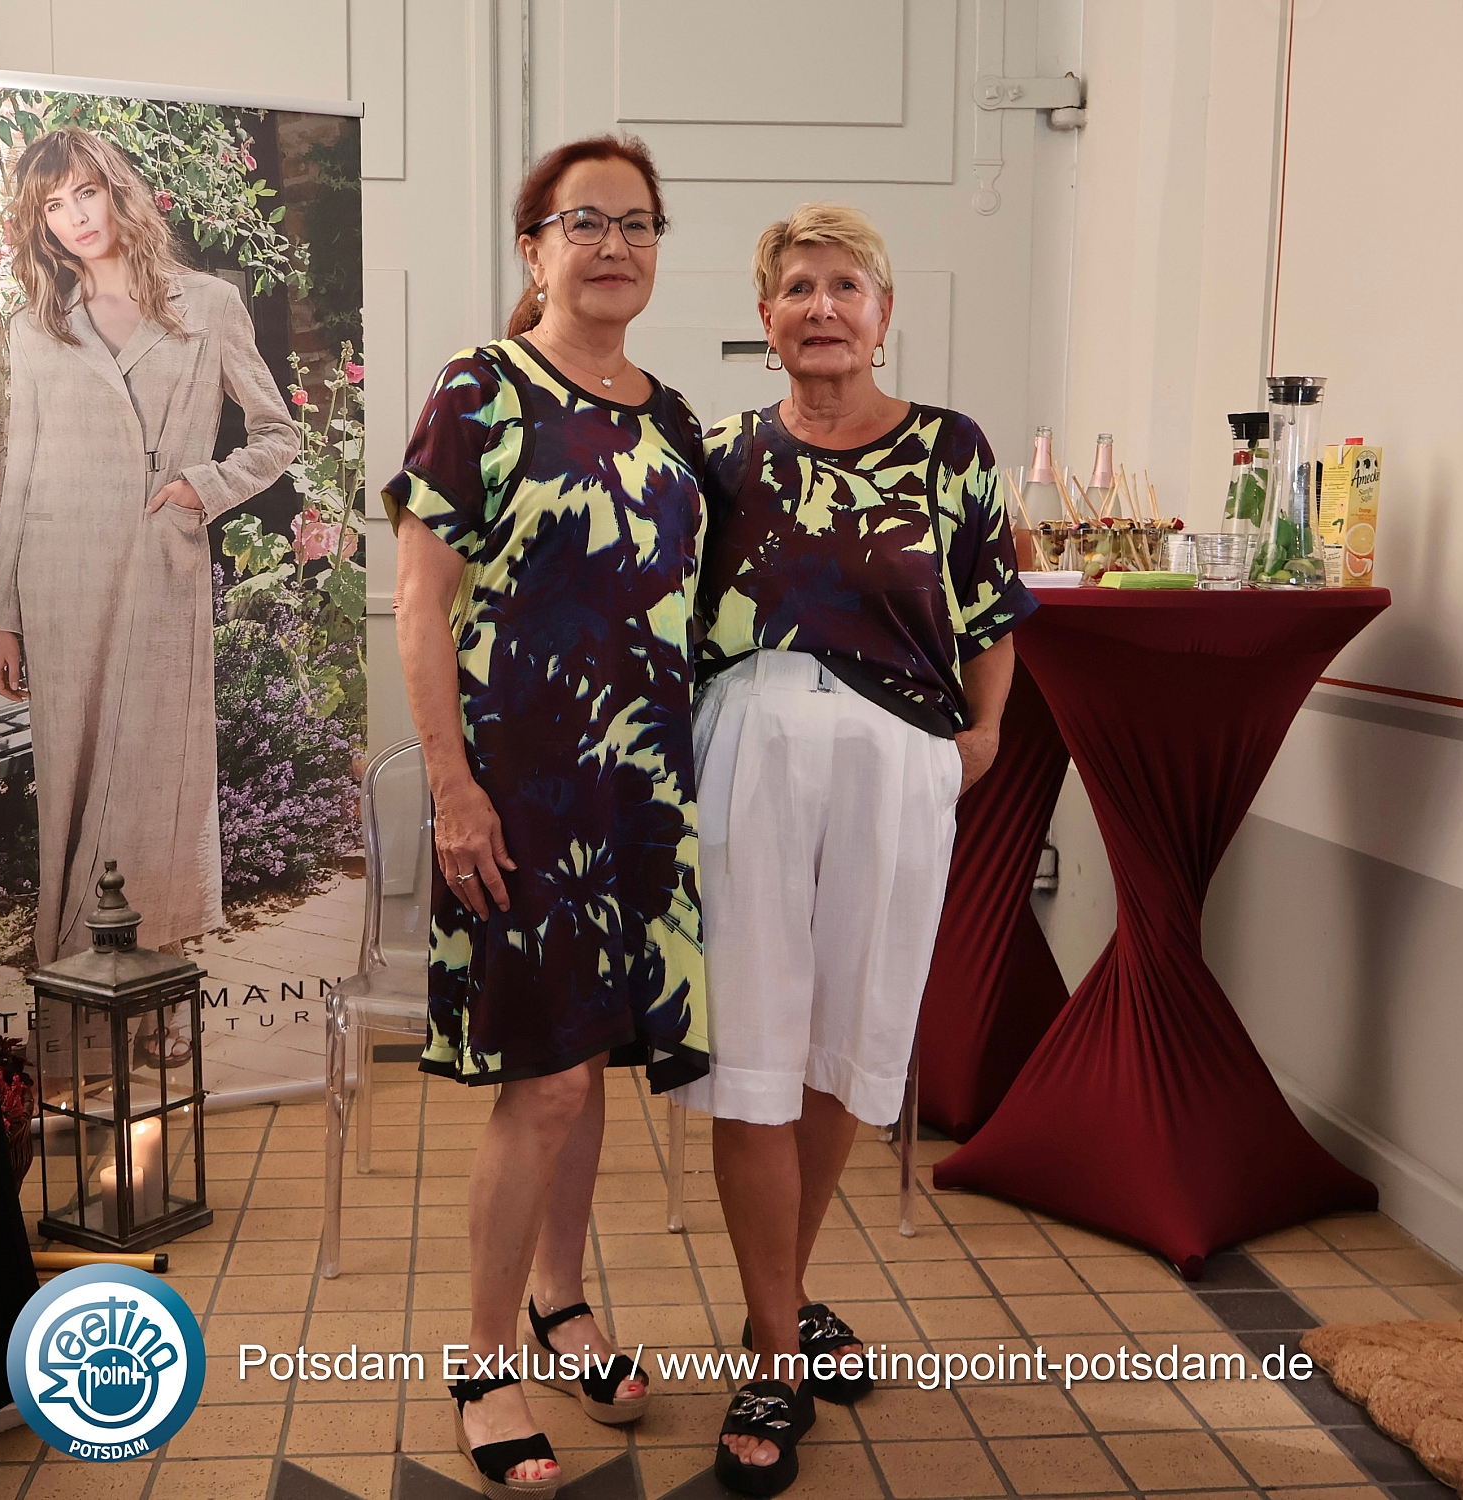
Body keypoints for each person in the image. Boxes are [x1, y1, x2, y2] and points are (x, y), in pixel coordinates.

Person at [672, 203, 1036, 1496]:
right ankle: (777, 1350)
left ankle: (778, 1298)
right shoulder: (720, 456)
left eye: (846, 287)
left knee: (844, 1043)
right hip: (749, 751)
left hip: (899, 761)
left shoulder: (952, 447)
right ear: (765, 319)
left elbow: (991, 609)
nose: (821, 307)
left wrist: (979, 740)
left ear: (884, 315)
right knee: (753, 1052)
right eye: (797, 288)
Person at [385, 135, 708, 1498]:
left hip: (642, 792)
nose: (614, 244)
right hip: (520, 788)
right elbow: (419, 603)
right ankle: (481, 1358)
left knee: (593, 1064)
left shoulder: (673, 413)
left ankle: (562, 1300)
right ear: (535, 247)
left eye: (637, 223)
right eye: (586, 222)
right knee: (548, 1078)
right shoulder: (484, 389)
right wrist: (452, 787)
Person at [0, 125, 297, 1069]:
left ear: (118, 192)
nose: (75, 217)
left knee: (158, 782)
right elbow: (20, 477)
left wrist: (204, 487)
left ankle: (155, 990)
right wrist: (3, 616)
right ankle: (76, 1002)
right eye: (53, 205)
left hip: (160, 568)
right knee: (73, 786)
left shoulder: (209, 304)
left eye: (86, 192)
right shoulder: (38, 328)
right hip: (62, 578)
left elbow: (277, 435)